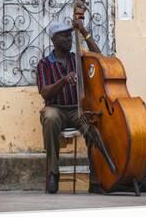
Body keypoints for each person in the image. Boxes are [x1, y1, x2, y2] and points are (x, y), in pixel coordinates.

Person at [37, 19, 103, 194]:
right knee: (49, 117)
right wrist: (63, 81)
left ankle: (97, 176)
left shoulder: (77, 59)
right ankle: (53, 172)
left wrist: (84, 32)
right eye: (64, 36)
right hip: (56, 108)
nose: (69, 39)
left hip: (76, 109)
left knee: (93, 124)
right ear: (54, 40)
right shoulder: (44, 63)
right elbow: (45, 93)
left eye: (69, 35)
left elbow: (99, 58)